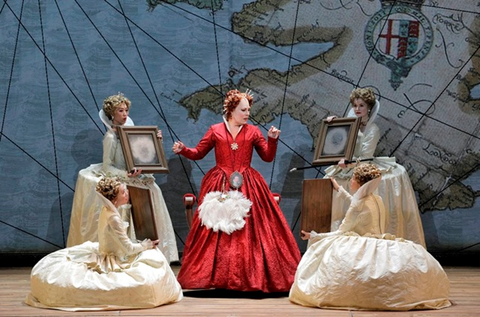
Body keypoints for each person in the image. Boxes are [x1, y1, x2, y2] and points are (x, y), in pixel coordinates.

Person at [172, 89, 301, 292]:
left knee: (252, 229)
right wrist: (184, 150)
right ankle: (214, 278)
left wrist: (272, 140)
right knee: (215, 227)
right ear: (231, 110)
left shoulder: (253, 131)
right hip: (220, 183)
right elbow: (199, 152)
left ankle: (250, 276)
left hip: (248, 183)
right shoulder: (215, 130)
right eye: (243, 110)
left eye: (249, 109)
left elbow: (267, 156)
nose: (247, 113)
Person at [289, 164, 451, 311]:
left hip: (362, 242)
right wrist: (339, 189)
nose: (350, 181)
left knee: (327, 253)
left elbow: (342, 230)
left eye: (352, 178)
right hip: (379, 239)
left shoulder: (359, 204)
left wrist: (315, 236)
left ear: (360, 183)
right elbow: (357, 204)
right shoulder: (376, 198)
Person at [25, 177, 183, 311]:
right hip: (114, 257)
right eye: (123, 192)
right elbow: (128, 248)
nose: (127, 193)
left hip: (109, 249)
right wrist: (146, 245)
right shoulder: (113, 217)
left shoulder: (108, 209)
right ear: (114, 198)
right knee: (152, 264)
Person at [67, 93, 178, 263]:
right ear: (112, 114)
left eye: (126, 110)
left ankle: (152, 252)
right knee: (129, 197)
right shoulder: (111, 137)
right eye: (120, 110)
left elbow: (143, 156)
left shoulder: (131, 133)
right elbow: (107, 166)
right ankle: (130, 252)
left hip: (134, 174)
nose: (125, 114)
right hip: (122, 175)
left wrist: (155, 143)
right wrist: (125, 175)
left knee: (153, 190)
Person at [324, 87, 426, 247]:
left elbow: (364, 156)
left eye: (361, 105)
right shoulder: (352, 124)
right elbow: (342, 139)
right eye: (355, 105)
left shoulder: (372, 129)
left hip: (361, 164)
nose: (357, 109)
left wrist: (349, 163)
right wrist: (333, 124)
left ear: (369, 108)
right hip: (347, 163)